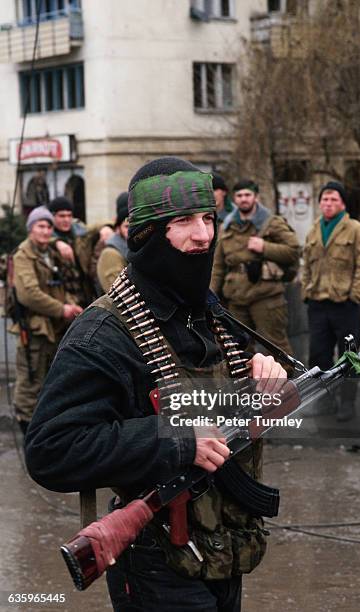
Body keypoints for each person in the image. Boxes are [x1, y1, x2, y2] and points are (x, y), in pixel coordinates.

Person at [25, 158, 286, 612]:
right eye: (183, 221)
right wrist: (178, 441)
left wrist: (260, 373)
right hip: (155, 560)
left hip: (223, 551)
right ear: (145, 234)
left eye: (207, 218)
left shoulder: (208, 316)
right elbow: (51, 448)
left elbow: (232, 401)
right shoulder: (104, 335)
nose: (204, 235)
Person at [301, 181, 360, 419]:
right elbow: (306, 266)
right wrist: (306, 291)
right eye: (325, 199)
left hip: (345, 306)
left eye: (334, 199)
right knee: (318, 357)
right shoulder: (314, 229)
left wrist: (354, 296)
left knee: (350, 357)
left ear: (342, 203)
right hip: (318, 306)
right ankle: (325, 402)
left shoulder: (355, 229)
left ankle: (347, 403)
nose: (328, 203)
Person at [11, 206, 83, 434]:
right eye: (40, 226)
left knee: (53, 384)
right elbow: (28, 293)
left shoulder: (51, 253)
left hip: (57, 330)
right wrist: (62, 309)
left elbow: (64, 284)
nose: (45, 231)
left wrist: (72, 304)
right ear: (31, 228)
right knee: (30, 387)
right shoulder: (23, 256)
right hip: (35, 331)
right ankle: (28, 435)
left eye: (48, 226)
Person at [211, 179, 300, 354]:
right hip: (236, 298)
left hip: (266, 297)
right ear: (234, 199)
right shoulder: (228, 227)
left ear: (256, 197)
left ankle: (286, 381)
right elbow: (218, 266)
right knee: (239, 350)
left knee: (276, 348)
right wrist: (211, 297)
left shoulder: (272, 222)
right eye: (239, 195)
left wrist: (265, 247)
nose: (243, 199)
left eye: (247, 195)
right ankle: (248, 383)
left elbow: (294, 251)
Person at [48, 196, 114, 307]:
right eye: (62, 216)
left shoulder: (78, 231)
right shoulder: (46, 234)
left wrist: (105, 227)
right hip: (61, 295)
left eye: (69, 215)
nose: (66, 220)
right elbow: (36, 240)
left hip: (84, 291)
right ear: (52, 217)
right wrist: (56, 242)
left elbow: (93, 227)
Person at [97, 192, 129, 292]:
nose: (132, 230)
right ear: (118, 228)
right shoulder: (111, 253)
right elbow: (119, 293)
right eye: (127, 226)